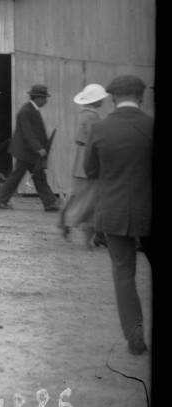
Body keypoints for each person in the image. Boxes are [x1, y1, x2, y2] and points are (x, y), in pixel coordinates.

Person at [83, 74, 153, 355]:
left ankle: (135, 335)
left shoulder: (99, 129)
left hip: (113, 211)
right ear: (141, 97)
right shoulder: (151, 126)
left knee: (124, 275)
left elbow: (90, 171)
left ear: (112, 99)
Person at [0, 83, 60, 211]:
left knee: (38, 176)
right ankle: (1, 200)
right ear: (37, 97)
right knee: (17, 177)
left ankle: (49, 203)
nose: (46, 101)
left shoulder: (31, 109)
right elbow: (28, 132)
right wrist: (38, 148)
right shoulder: (26, 111)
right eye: (44, 98)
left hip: (29, 152)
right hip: (25, 152)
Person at [60, 83, 107, 248]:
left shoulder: (84, 114)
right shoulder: (92, 117)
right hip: (89, 159)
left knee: (77, 194)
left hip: (80, 158)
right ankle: (85, 233)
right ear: (97, 100)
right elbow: (96, 140)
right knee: (90, 198)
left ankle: (65, 220)